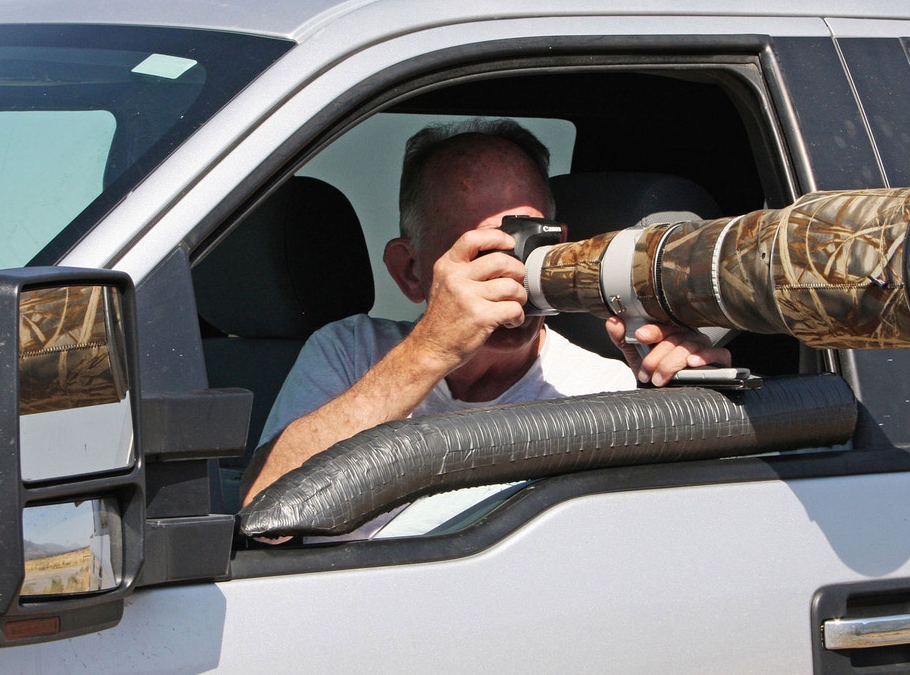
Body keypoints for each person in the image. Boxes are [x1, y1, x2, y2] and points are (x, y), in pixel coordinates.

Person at [239, 118, 729, 527]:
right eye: (480, 249)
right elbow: (264, 513)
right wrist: (431, 349)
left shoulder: (604, 389)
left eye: (531, 239)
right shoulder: (350, 352)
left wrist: (688, 404)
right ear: (411, 271)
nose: (511, 265)